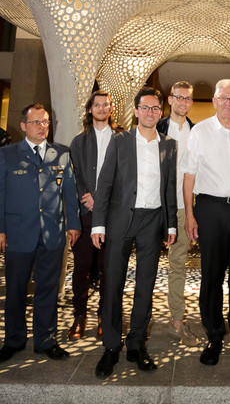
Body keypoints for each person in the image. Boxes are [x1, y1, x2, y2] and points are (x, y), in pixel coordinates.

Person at [91, 86, 177, 379]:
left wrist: (171, 224)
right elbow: (104, 184)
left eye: (156, 108)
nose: (151, 112)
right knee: (113, 284)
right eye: (146, 107)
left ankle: (136, 345)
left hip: (152, 222)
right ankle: (111, 347)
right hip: (119, 221)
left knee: (145, 286)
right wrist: (98, 224)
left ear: (160, 112)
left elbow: (169, 187)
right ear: (136, 110)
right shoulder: (120, 141)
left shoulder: (169, 145)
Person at [183, 79, 230, 367]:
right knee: (211, 276)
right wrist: (190, 214)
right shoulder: (200, 131)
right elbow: (189, 175)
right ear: (214, 101)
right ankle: (214, 336)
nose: (229, 103)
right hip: (211, 209)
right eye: (223, 98)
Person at [0, 104, 81, 363]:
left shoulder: (61, 153)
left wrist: (74, 224)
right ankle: (14, 339)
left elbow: (70, 192)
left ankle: (45, 340)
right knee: (15, 290)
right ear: (23, 125)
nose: (42, 126)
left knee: (47, 289)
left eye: (45, 122)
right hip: (18, 234)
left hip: (52, 235)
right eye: (35, 122)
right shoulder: (7, 155)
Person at [68, 90, 117, 340]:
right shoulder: (79, 141)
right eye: (96, 105)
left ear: (110, 109)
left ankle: (103, 316)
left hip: (111, 215)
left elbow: (125, 175)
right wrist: (87, 195)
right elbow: (74, 176)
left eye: (105, 104)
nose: (101, 108)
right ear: (90, 109)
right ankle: (80, 316)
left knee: (109, 268)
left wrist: (102, 199)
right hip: (86, 212)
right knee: (82, 268)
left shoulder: (122, 139)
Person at [157, 81, 199, 347]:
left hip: (185, 207)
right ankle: (140, 322)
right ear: (170, 100)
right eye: (179, 98)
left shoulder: (197, 132)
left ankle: (176, 322)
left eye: (188, 99)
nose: (183, 102)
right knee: (146, 265)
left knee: (177, 264)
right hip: (155, 206)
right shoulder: (156, 127)